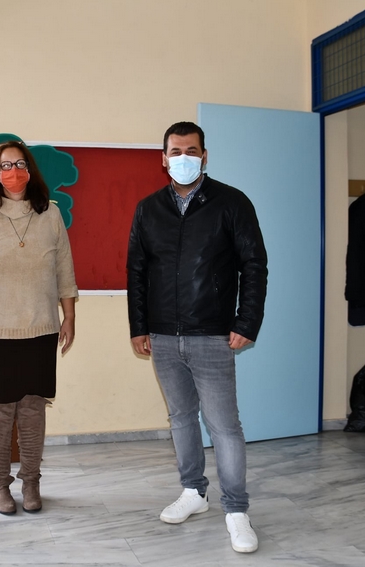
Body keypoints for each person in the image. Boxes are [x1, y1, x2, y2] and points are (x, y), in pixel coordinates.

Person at [126, 121, 268, 554]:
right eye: (176, 151)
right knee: (181, 418)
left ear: (204, 156)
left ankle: (236, 510)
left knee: (224, 426)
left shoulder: (232, 202)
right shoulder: (149, 209)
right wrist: (138, 326)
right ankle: (193, 491)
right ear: (163, 158)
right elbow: (136, 271)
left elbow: (254, 265)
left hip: (212, 334)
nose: (183, 158)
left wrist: (247, 322)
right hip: (163, 336)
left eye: (191, 151)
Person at [0, 140, 78, 516]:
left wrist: (69, 317)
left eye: (20, 164)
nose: (13, 171)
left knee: (33, 409)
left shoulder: (50, 214)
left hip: (40, 327)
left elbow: (65, 269)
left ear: (30, 169)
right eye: (5, 165)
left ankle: (32, 482)